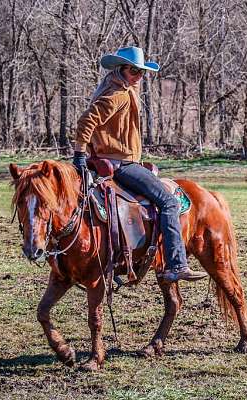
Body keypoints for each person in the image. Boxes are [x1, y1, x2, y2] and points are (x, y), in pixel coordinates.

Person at [71, 46, 208, 283]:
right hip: (122, 163)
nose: (138, 77)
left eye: (141, 72)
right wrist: (79, 153)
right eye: (134, 71)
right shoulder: (118, 94)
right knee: (169, 202)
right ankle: (176, 263)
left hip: (114, 160)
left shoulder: (117, 88)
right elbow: (86, 121)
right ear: (122, 70)